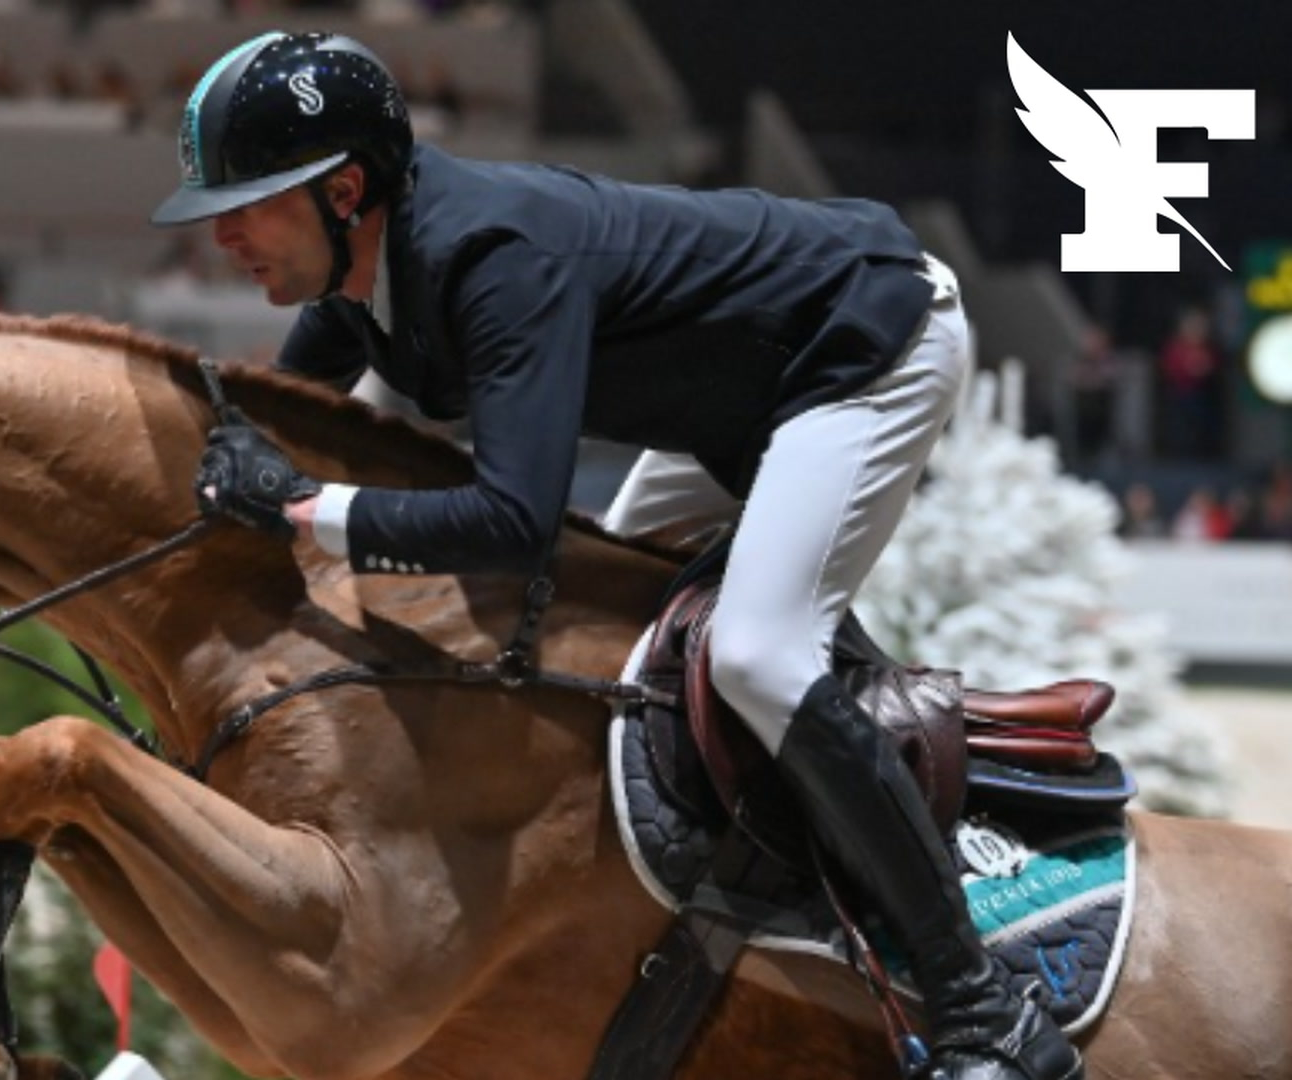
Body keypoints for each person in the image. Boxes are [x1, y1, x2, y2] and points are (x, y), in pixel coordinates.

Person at [150, 31, 1081, 1080]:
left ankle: (984, 1010)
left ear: (346, 190)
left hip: (863, 344)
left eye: (248, 203)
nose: (223, 234)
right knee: (614, 625)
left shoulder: (490, 259)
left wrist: (310, 511)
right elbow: (271, 431)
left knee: (758, 655)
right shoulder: (359, 276)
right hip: (743, 397)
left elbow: (512, 523)